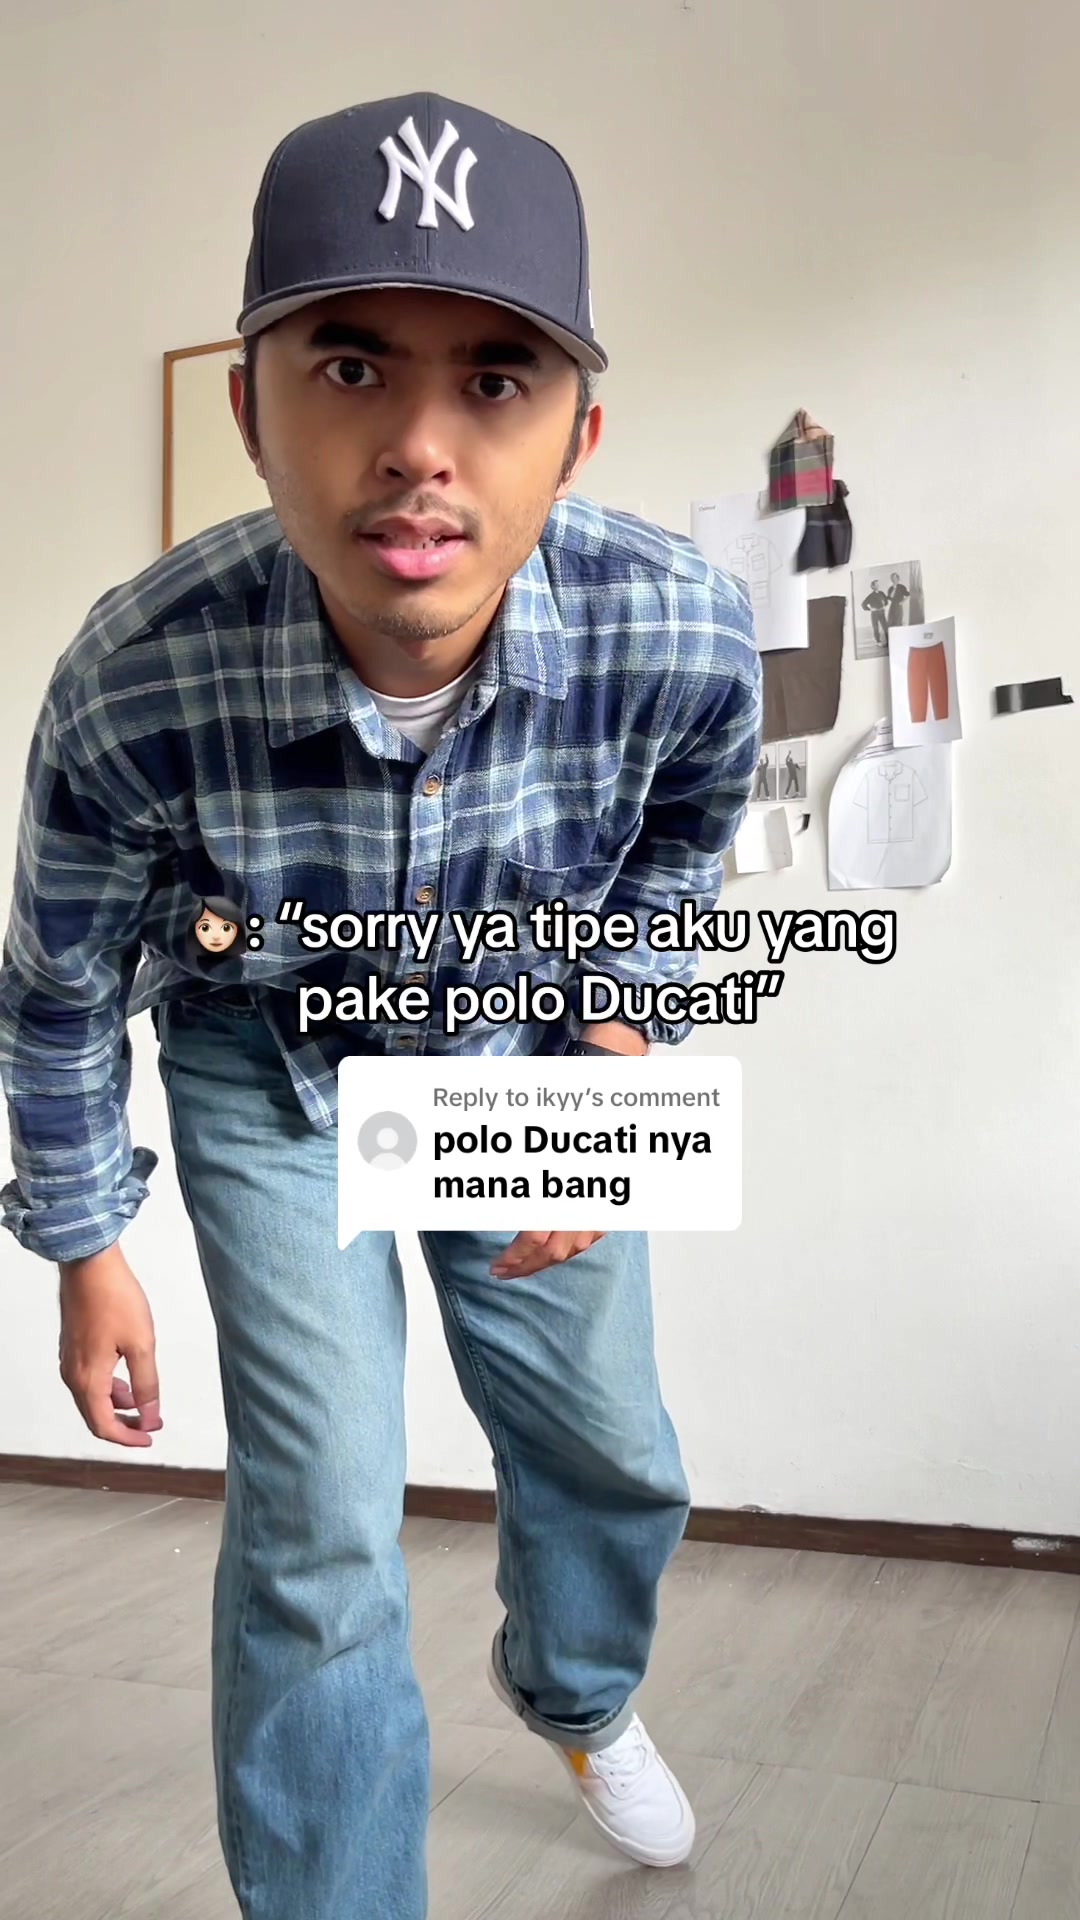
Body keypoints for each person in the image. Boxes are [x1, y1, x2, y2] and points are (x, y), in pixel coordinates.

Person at [0, 93, 761, 1920]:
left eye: (496, 380)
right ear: (252, 408)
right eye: (351, 368)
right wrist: (87, 1246)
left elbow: (681, 858)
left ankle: (574, 1690)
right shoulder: (134, 675)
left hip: (522, 1041)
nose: (420, 447)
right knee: (319, 1516)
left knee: (614, 1454)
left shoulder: (682, 631)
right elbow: (56, 985)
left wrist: (614, 1061)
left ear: (578, 436)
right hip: (265, 1065)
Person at [861, 578, 889, 647]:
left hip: (882, 613)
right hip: (874, 614)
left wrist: (884, 605)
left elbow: (886, 601)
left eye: (878, 584)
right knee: (876, 627)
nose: (877, 585)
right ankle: (878, 641)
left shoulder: (881, 593)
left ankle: (888, 641)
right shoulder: (871, 596)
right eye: (876, 584)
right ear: (873, 586)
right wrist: (870, 609)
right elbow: (863, 604)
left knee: (885, 627)